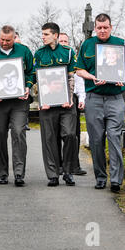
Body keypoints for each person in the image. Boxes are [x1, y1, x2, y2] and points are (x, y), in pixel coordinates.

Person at [75, 13, 125, 193]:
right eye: (99, 27)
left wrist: (124, 77)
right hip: (94, 98)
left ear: (111, 27)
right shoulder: (87, 45)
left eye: (105, 27)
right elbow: (79, 70)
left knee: (114, 137)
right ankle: (101, 177)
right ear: (95, 28)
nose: (102, 30)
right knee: (96, 140)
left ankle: (116, 180)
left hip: (115, 98)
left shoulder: (121, 44)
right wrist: (92, 77)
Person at [0, 25, 34, 186]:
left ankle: (19, 173)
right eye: (1, 40)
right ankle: (2, 172)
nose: (4, 43)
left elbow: (31, 72)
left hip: (19, 101)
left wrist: (27, 85)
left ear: (14, 38)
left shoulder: (24, 51)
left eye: (8, 40)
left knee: (19, 132)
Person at [34, 22, 77, 187]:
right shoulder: (39, 54)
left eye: (46, 34)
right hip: (47, 105)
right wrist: (40, 101)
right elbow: (38, 79)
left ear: (55, 35)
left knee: (69, 135)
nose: (43, 37)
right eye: (42, 34)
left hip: (66, 103)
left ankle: (68, 171)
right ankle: (53, 174)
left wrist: (70, 98)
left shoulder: (67, 53)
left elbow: (71, 77)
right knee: (49, 139)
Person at [59, 32, 87, 176]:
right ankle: (59, 165)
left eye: (65, 41)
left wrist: (82, 99)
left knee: (73, 134)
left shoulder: (73, 59)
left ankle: (74, 165)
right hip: (55, 98)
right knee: (57, 133)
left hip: (72, 98)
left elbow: (79, 80)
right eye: (61, 41)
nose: (63, 43)